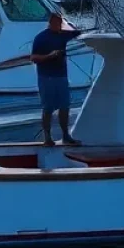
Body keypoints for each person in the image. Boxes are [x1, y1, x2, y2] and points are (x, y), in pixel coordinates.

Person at [30, 11, 81, 147]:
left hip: (62, 77)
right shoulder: (41, 38)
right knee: (48, 108)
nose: (59, 25)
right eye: (56, 22)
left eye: (60, 23)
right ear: (50, 22)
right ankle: (47, 137)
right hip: (46, 77)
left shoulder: (64, 36)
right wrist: (49, 56)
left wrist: (69, 24)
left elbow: (78, 32)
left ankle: (66, 135)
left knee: (65, 106)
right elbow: (34, 58)